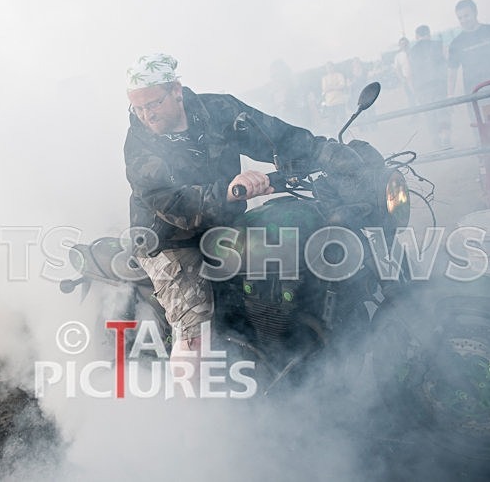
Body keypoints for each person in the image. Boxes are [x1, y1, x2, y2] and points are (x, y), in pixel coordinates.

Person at [123, 53, 366, 388]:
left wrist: (324, 152)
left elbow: (275, 136)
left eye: (154, 103)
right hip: (168, 238)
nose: (146, 114)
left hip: (221, 223)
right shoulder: (139, 143)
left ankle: (282, 344)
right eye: (138, 108)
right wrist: (229, 191)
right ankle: (192, 421)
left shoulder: (220, 111)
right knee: (195, 332)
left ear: (176, 90)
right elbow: (170, 202)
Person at [410, 25, 452, 148]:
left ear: (416, 36)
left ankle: (435, 138)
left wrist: (414, 91)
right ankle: (445, 137)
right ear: (429, 33)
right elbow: (448, 64)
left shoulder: (412, 51)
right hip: (439, 84)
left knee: (429, 114)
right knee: (442, 111)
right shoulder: (439, 45)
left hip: (422, 88)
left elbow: (409, 73)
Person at [320, 62, 348, 133]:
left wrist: (331, 87)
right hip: (330, 103)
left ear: (333, 67)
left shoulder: (339, 75)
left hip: (340, 101)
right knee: (332, 120)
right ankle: (334, 134)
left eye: (330, 67)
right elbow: (324, 89)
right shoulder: (324, 78)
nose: (329, 69)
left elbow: (342, 85)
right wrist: (335, 86)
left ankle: (345, 132)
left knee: (343, 118)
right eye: (327, 67)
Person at [394, 37, 415, 107]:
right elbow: (397, 69)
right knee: (411, 98)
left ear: (408, 44)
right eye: (402, 44)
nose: (404, 45)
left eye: (405, 43)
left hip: (417, 78)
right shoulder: (398, 56)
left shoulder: (413, 52)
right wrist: (402, 79)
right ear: (400, 45)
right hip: (406, 79)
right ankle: (414, 113)